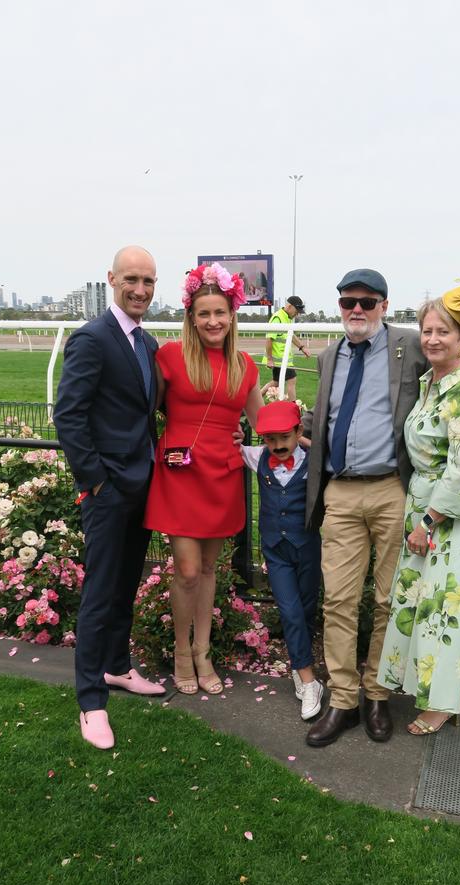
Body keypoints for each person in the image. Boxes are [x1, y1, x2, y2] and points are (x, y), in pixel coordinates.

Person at [302, 268, 460, 748]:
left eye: (367, 302)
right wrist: (287, 422)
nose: (357, 310)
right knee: (337, 600)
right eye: (348, 301)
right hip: (342, 492)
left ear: (383, 306)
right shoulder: (329, 356)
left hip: (397, 492)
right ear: (339, 306)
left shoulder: (412, 343)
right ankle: (343, 700)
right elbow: (327, 415)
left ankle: (377, 694)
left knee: (389, 599)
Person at [377, 287, 460, 731]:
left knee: (442, 605)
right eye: (427, 330)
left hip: (452, 515)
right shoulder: (429, 382)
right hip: (425, 504)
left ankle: (441, 703)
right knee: (441, 600)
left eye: (443, 332)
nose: (433, 339)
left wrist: (427, 522)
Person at [54, 245, 166, 752]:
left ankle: (117, 668)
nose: (140, 289)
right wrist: (95, 479)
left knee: (125, 586)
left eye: (148, 281)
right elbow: (68, 414)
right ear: (112, 280)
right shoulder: (92, 339)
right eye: (131, 280)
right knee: (100, 592)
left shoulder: (148, 344)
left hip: (142, 487)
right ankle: (90, 700)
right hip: (107, 489)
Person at [144, 263, 263, 696]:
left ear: (232, 314)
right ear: (191, 317)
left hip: (222, 474)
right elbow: (147, 409)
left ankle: (203, 652)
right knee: (188, 570)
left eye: (220, 312)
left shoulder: (245, 365)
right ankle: (181, 652)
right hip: (180, 473)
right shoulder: (170, 356)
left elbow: (261, 421)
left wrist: (305, 436)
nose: (213, 321)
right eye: (203, 313)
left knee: (210, 568)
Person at [241, 400, 324, 722]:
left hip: (307, 548)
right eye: (270, 439)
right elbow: (228, 446)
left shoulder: (313, 460)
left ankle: (298, 665)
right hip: (276, 551)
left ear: (298, 432)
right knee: (289, 611)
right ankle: (308, 678)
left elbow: (336, 459)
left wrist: (304, 441)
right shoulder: (257, 457)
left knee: (305, 610)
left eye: (284, 438)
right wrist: (234, 433)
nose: (277, 446)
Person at [262, 296, 311, 401]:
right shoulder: (278, 318)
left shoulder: (286, 318)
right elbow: (269, 339)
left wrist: (302, 347)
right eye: (296, 310)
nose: (297, 313)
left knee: (275, 382)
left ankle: (252, 401)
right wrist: (270, 359)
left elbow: (291, 336)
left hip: (282, 360)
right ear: (289, 306)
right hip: (278, 360)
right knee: (292, 379)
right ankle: (293, 407)